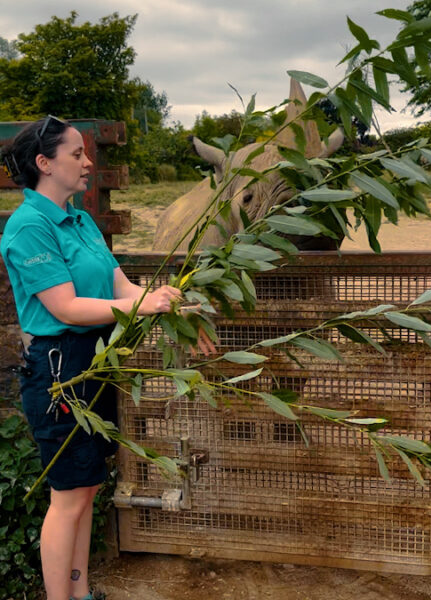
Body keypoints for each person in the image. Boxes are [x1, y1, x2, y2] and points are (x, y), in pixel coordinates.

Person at [0, 116, 210, 600]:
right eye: (77, 154)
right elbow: (66, 307)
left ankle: (82, 592)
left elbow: (120, 287)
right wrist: (141, 305)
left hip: (98, 358)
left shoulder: (81, 220)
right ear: (43, 163)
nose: (88, 162)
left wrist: (169, 303)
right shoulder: (28, 226)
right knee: (68, 497)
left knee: (88, 488)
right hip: (60, 367)